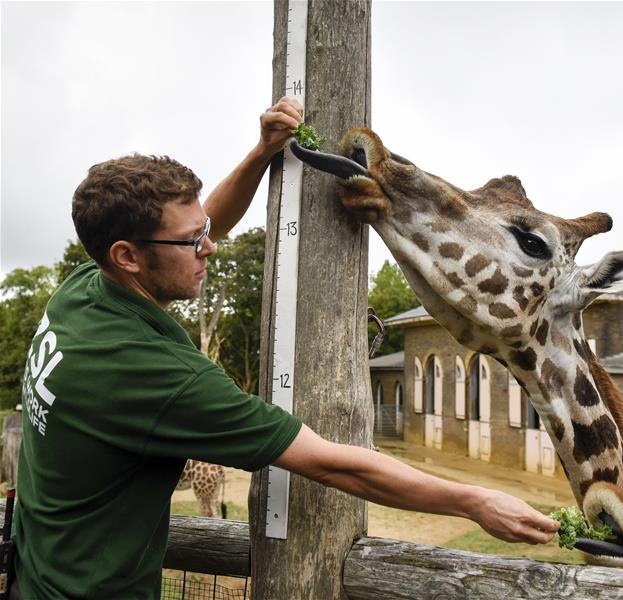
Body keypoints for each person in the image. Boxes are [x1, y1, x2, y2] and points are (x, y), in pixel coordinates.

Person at [12, 97, 559, 599]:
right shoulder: (151, 375)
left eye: (200, 229)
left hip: (38, 576)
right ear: (127, 255)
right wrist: (474, 501)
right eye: (190, 242)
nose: (209, 247)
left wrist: (260, 154)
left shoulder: (83, 291)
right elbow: (334, 465)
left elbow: (206, 226)